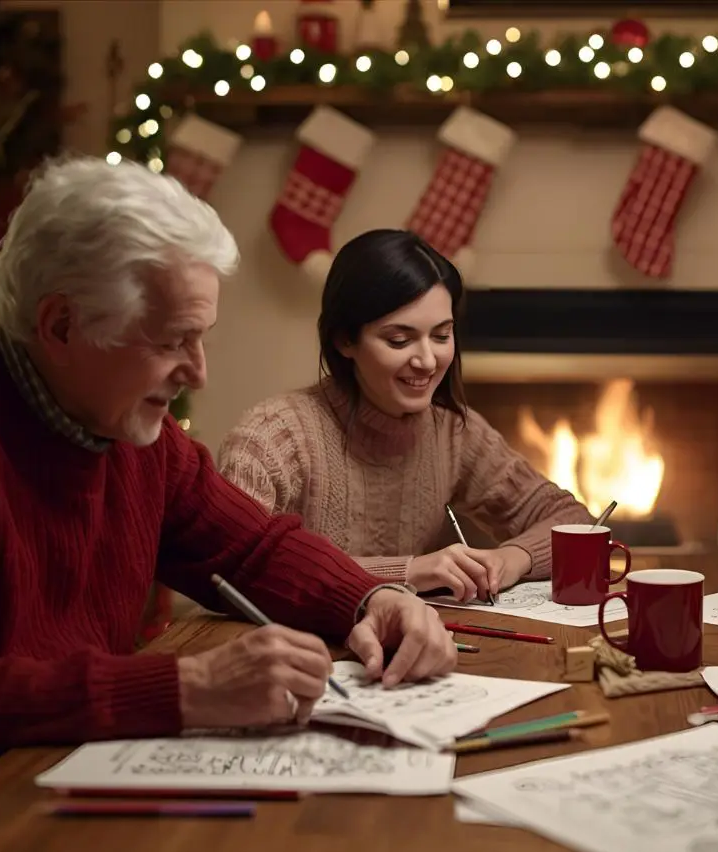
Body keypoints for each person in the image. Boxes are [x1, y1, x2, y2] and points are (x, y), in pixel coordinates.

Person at [0, 157, 454, 852]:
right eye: (170, 340)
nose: (197, 371)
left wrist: (368, 600)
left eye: (204, 336)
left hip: (50, 755)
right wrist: (184, 688)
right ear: (60, 323)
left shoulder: (130, 430)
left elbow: (251, 544)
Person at [219, 229, 593, 602]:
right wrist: (409, 572)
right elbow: (232, 567)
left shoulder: (452, 432)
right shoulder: (271, 437)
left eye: (442, 336)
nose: (427, 361)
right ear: (344, 340)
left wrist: (511, 559)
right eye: (399, 340)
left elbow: (573, 519)